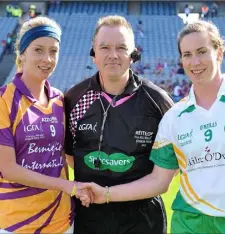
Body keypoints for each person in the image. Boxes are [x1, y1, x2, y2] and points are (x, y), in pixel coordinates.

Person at [80, 20, 225, 234]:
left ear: (219, 52)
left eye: (202, 51)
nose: (195, 62)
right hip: (189, 223)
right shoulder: (174, 117)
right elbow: (158, 181)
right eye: (187, 55)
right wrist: (106, 193)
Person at [0, 16, 91, 234]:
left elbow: (66, 155)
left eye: (53, 51)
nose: (47, 59)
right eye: (38, 50)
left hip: (62, 221)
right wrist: (67, 186)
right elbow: (9, 170)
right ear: (22, 54)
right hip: (16, 223)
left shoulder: (60, 99)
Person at [64, 15, 174, 234]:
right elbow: (69, 157)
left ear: (133, 54)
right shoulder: (73, 99)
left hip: (143, 219)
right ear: (93, 53)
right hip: (89, 215)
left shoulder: (158, 102)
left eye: (121, 47)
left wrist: (114, 191)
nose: (113, 55)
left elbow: (165, 175)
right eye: (104, 47)